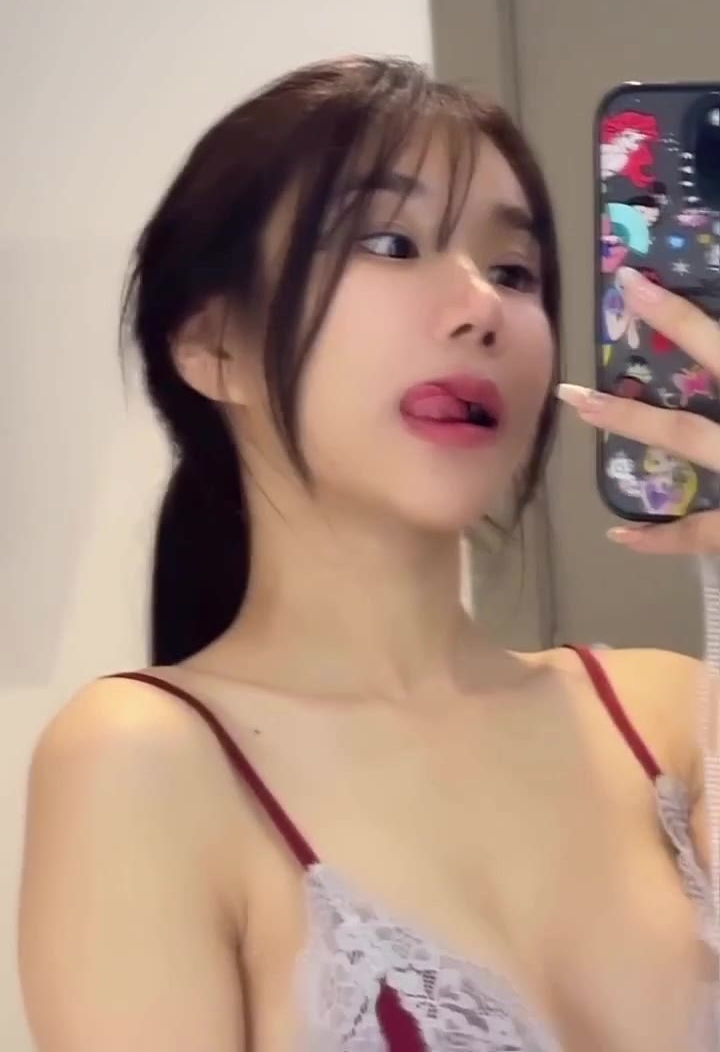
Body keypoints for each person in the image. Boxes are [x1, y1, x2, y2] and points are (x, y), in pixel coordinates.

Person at [17, 57, 718, 1051]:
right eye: (391, 242)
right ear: (216, 344)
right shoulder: (144, 758)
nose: (480, 306)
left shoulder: (678, 717)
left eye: (514, 272)